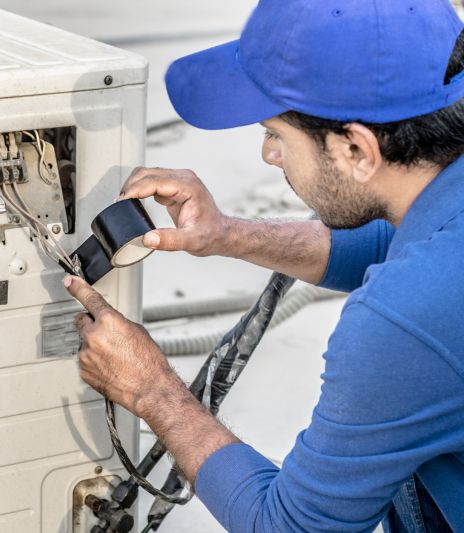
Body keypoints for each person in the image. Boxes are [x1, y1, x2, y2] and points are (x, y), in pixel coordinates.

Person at [63, 1, 464, 531]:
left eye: (276, 133)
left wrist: (151, 389)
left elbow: (293, 526)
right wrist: (226, 234)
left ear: (358, 149)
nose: (267, 155)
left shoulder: (402, 322)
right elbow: (399, 242)